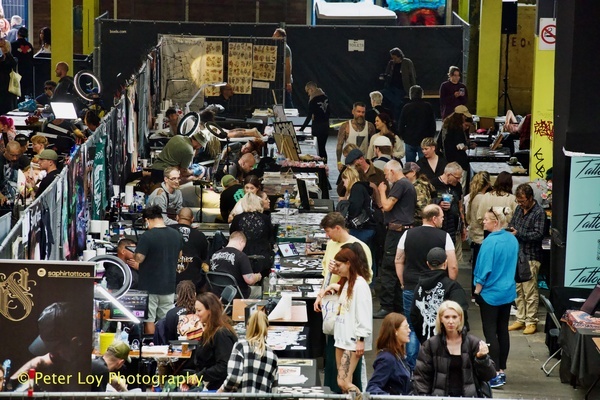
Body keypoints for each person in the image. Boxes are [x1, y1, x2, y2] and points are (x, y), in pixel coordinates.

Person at [313, 214, 373, 394]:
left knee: (343, 381)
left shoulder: (360, 285)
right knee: (342, 381)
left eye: (339, 265)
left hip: (351, 341)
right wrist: (330, 288)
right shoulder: (347, 283)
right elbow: (341, 290)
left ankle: (361, 397)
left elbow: (363, 314)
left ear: (349, 264)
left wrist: (361, 340)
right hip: (340, 338)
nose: (336, 269)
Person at [395, 204, 458, 369]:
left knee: (411, 326)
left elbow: (398, 260)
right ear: (434, 218)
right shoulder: (444, 237)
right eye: (442, 217)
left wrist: (403, 281)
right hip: (437, 288)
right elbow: (452, 266)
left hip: (411, 286)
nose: (443, 220)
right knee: (436, 325)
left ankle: (412, 367)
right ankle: (433, 363)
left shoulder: (407, 234)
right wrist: (449, 285)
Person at [474, 207, 519, 387]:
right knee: (503, 330)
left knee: (490, 331)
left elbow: (484, 270)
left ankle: (494, 371)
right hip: (507, 292)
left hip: (490, 293)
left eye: (486, 219)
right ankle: (502, 370)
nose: (483, 222)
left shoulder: (489, 242)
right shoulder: (512, 239)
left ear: (496, 222)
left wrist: (477, 291)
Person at [413, 301, 497, 396]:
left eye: (454, 317)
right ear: (441, 319)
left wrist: (482, 359)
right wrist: (425, 397)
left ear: (460, 318)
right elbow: (421, 378)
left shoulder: (473, 343)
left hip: (468, 396)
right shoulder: (431, 345)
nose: (451, 321)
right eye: (447, 317)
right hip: (440, 397)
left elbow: (489, 375)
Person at [375, 159, 416, 319]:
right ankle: (399, 304)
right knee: (400, 267)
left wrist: (382, 191)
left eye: (386, 174)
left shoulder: (400, 184)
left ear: (392, 171)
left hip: (396, 232)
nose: (386, 178)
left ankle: (387, 305)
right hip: (405, 231)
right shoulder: (408, 185)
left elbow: (387, 206)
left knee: (389, 268)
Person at [134, 205, 183, 335]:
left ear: (147, 220)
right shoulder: (176, 234)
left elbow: (139, 258)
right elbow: (180, 255)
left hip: (149, 286)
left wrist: (135, 254)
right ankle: (165, 344)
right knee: (166, 320)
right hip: (168, 285)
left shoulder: (147, 236)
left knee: (149, 319)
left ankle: (151, 344)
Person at [508, 183, 546, 335]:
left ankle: (531, 321)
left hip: (531, 255)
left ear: (530, 198)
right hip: (517, 254)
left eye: (522, 201)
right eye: (518, 201)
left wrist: (518, 233)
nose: (520, 204)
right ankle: (520, 318)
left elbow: (538, 234)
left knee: (530, 290)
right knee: (518, 289)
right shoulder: (519, 209)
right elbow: (513, 224)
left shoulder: (539, 212)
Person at [411, 247, 469, 344]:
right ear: (445, 263)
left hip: (426, 342)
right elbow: (461, 313)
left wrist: (422, 338)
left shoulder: (419, 287)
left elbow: (414, 315)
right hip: (449, 343)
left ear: (428, 264)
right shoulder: (452, 287)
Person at [186, 292, 237, 391]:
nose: (196, 314)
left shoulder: (221, 334)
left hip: (219, 388)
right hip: (209, 382)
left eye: (199, 310)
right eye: (195, 310)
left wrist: (199, 376)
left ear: (210, 310)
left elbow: (223, 366)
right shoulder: (210, 330)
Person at [218, 311, 279, 393]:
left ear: (248, 327)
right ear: (266, 329)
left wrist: (221, 391)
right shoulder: (273, 355)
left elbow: (234, 378)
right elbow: (274, 390)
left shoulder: (241, 347)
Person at [366, 312, 412, 395]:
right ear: (395, 331)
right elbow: (372, 387)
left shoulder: (399, 356)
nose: (409, 330)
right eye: (406, 327)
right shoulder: (387, 358)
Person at [229, 192, 273, 278]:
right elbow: (271, 238)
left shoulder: (237, 219)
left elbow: (233, 236)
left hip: (242, 257)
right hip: (262, 258)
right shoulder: (265, 218)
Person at [209, 231, 262, 298]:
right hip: (236, 294)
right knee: (259, 290)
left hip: (216, 295)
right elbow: (250, 280)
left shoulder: (215, 255)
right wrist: (257, 277)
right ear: (241, 242)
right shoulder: (241, 256)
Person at [466, 171, 491, 296]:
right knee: (481, 267)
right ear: (487, 183)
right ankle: (477, 293)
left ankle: (474, 292)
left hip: (475, 235)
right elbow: (483, 218)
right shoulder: (482, 198)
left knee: (476, 265)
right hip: (481, 236)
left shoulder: (473, 197)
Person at [431, 162, 466, 252]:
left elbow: (460, 206)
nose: (459, 180)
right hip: (439, 229)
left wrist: (463, 226)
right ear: (448, 175)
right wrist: (438, 204)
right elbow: (426, 205)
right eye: (457, 178)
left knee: (456, 257)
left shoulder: (457, 186)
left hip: (455, 229)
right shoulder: (433, 184)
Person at [171, 207, 208, 291]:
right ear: (192, 219)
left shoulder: (167, 231)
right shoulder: (200, 236)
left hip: (169, 281)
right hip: (192, 284)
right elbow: (204, 259)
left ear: (177, 217)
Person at [398, 85, 436, 162]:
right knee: (424, 165)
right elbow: (432, 124)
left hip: (410, 140)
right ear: (422, 94)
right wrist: (430, 137)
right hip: (424, 140)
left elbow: (401, 124)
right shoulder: (428, 106)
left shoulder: (406, 107)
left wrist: (404, 137)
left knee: (410, 165)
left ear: (410, 95)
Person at [339, 166, 376, 246]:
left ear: (348, 178)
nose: (344, 184)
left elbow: (355, 209)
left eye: (344, 181)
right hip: (366, 227)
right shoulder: (361, 187)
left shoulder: (356, 188)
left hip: (361, 229)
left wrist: (347, 222)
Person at [439, 105, 472, 189]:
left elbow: (439, 143)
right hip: (459, 162)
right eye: (464, 116)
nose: (465, 118)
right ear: (461, 116)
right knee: (460, 186)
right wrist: (468, 146)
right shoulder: (457, 128)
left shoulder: (445, 125)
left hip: (447, 161)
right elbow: (460, 146)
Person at [336, 102, 375, 170]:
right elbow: (339, 145)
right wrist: (339, 162)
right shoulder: (345, 126)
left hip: (364, 163)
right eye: (358, 111)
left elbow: (373, 146)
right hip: (348, 163)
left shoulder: (370, 126)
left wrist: (371, 161)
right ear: (353, 112)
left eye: (363, 112)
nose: (361, 114)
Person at [381, 47, 416, 122]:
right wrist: (385, 77)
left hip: (401, 88)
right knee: (383, 92)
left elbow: (412, 76)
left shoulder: (407, 62)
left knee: (394, 105)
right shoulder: (391, 63)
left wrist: (413, 88)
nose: (393, 60)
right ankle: (398, 102)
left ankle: (397, 120)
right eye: (392, 58)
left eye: (395, 58)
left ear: (399, 56)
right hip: (391, 87)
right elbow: (387, 73)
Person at [299, 81, 330, 160]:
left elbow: (309, 116)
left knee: (319, 149)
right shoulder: (325, 97)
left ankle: (322, 165)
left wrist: (302, 129)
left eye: (308, 92)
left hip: (318, 126)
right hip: (326, 126)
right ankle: (325, 164)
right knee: (323, 147)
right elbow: (329, 111)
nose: (308, 94)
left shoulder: (313, 100)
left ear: (311, 89)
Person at [402, 161, 435, 226]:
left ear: (413, 173)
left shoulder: (417, 187)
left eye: (406, 173)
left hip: (419, 221)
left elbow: (422, 207)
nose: (404, 176)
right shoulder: (422, 183)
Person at [272, 28, 293, 108]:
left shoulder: (285, 48)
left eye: (275, 35)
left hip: (284, 81)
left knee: (287, 101)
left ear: (281, 37)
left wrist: (288, 82)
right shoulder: (276, 47)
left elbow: (288, 66)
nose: (273, 37)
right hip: (278, 80)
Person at [10, 27, 33, 98]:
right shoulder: (29, 45)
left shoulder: (13, 44)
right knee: (24, 89)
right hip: (27, 70)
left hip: (17, 70)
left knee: (15, 90)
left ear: (18, 34)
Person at [0, 37, 17, 115]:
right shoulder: (1, 59)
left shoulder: (12, 59)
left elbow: (12, 63)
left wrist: (6, 52)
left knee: (7, 107)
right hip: (2, 86)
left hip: (8, 87)